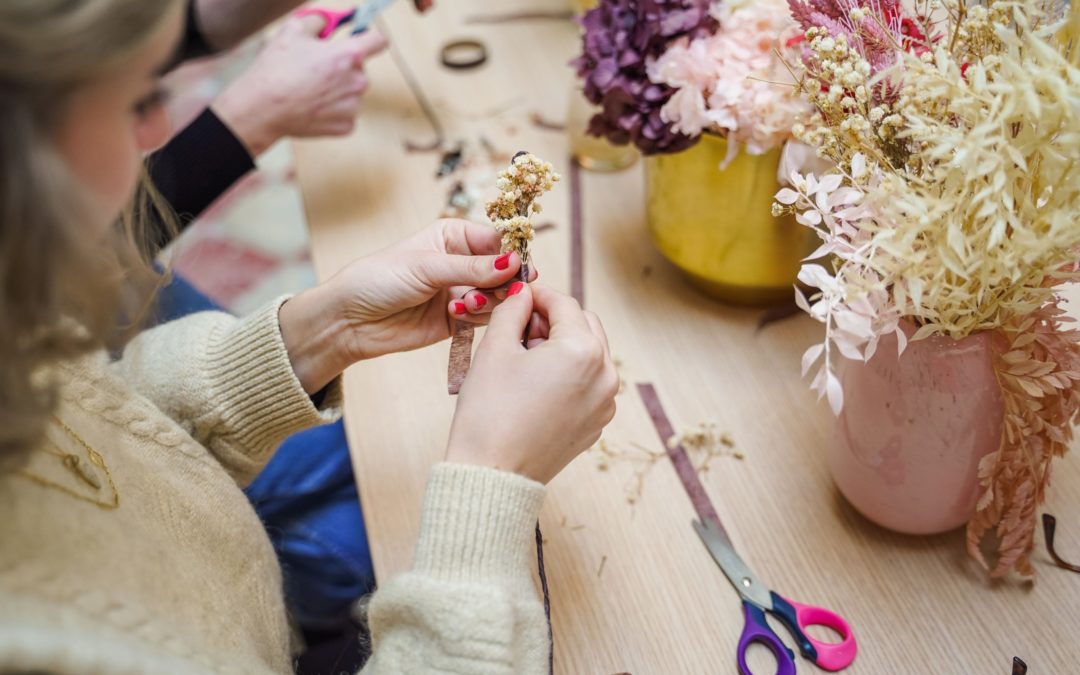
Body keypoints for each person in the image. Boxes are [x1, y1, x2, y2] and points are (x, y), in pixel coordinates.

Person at [0, 2, 619, 675]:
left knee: (359, 514)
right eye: (140, 97)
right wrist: (491, 483)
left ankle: (325, 609)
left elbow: (91, 435)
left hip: (216, 551)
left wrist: (317, 334)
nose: (160, 126)